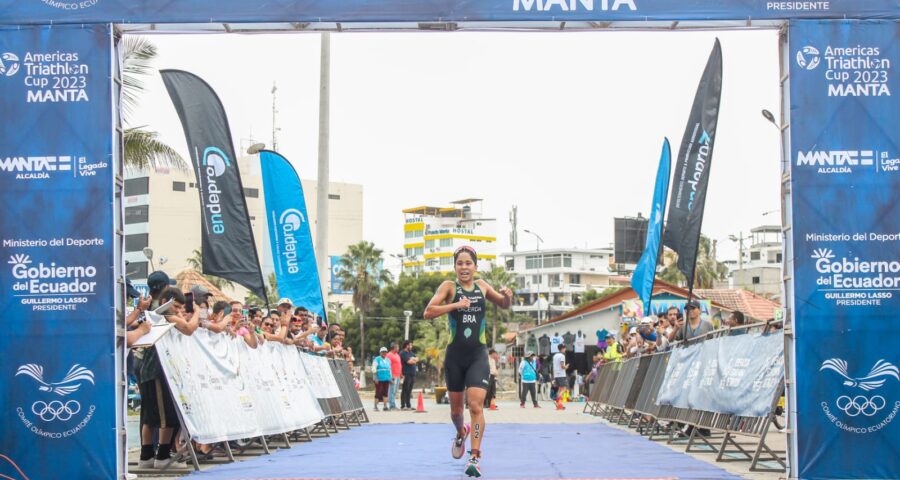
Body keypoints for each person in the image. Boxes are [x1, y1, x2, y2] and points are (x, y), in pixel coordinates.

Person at [424, 245, 513, 478]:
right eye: (460, 263)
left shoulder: (482, 286)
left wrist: (508, 298)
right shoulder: (448, 287)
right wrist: (456, 305)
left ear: (475, 266)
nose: (464, 267)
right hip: (454, 357)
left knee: (475, 406)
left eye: (468, 263)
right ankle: (460, 432)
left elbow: (503, 304)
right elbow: (428, 312)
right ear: (455, 267)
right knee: (456, 412)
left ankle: (474, 457)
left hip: (477, 356)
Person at [138, 286, 199, 470]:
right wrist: (196, 312)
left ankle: (146, 455)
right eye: (177, 306)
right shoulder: (165, 316)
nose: (179, 311)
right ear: (166, 303)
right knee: (167, 416)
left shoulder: (155, 316)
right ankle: (162, 456)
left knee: (149, 416)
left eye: (182, 307)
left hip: (149, 371)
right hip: (158, 371)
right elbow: (189, 329)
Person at [399, 340, 418, 410]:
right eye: (410, 345)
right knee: (405, 390)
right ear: (407, 345)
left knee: (409, 390)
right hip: (406, 374)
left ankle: (408, 405)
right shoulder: (403, 353)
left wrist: (413, 359)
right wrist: (413, 360)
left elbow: (417, 358)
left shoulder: (411, 353)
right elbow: (409, 362)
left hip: (412, 374)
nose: (411, 346)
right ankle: (403, 405)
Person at [372, 347, 392, 411]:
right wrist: (375, 378)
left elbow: (389, 370)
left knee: (385, 393)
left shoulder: (388, 360)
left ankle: (385, 406)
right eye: (382, 352)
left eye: (385, 352)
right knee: (378, 392)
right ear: (380, 352)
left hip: (386, 379)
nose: (384, 353)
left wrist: (390, 378)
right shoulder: (377, 359)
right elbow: (374, 368)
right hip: (379, 379)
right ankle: (375, 406)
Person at [552, 344, 569, 410]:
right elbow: (562, 366)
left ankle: (559, 405)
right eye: (565, 348)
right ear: (562, 349)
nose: (565, 350)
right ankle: (557, 400)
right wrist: (566, 367)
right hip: (561, 374)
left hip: (556, 374)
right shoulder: (562, 356)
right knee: (564, 388)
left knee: (560, 389)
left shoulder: (555, 356)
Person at [387, 342, 402, 410]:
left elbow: (399, 364)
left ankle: (393, 404)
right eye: (397, 347)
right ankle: (392, 405)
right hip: (392, 376)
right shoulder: (389, 355)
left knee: (395, 391)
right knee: (391, 391)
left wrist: (401, 374)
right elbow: (387, 366)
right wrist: (389, 376)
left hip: (398, 375)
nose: (398, 348)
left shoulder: (397, 355)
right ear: (394, 348)